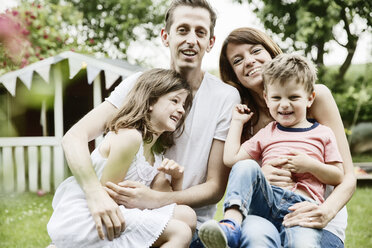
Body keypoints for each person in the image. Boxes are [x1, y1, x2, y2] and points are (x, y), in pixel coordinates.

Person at [61, 0, 241, 247]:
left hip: (189, 222)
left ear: (210, 42)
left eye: (200, 32)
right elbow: (74, 136)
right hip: (125, 210)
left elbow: (214, 187)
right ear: (165, 36)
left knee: (185, 225)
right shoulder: (141, 84)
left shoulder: (225, 97)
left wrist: (156, 199)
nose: (191, 39)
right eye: (182, 30)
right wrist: (95, 196)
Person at [200, 27, 356, 248]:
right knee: (255, 238)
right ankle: (231, 226)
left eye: (255, 51)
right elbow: (236, 166)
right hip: (266, 210)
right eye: (237, 60)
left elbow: (346, 177)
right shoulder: (243, 117)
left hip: (314, 211)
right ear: (233, 74)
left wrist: (325, 212)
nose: (249, 61)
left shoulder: (316, 96)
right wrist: (260, 176)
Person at [48, 69, 196, 247]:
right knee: (180, 232)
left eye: (184, 105)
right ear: (150, 102)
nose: (181, 110)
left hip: (118, 211)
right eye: (174, 101)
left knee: (187, 214)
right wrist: (142, 202)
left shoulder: (156, 156)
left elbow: (164, 201)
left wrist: (177, 178)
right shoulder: (130, 137)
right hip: (90, 215)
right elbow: (108, 194)